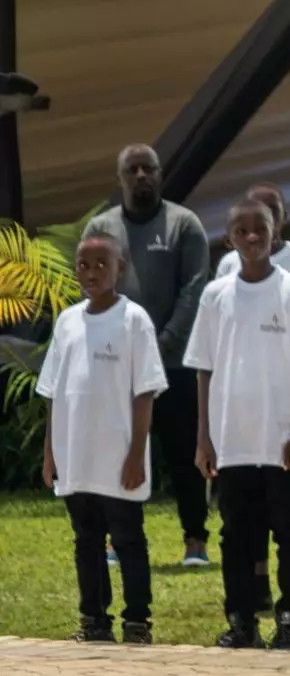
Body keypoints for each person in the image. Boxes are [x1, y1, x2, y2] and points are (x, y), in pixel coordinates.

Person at [186, 195, 290, 651]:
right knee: (236, 536)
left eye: (259, 229)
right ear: (228, 238)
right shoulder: (215, 295)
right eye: (241, 230)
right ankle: (241, 620)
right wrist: (205, 436)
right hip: (233, 441)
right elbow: (204, 367)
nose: (251, 237)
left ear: (275, 233)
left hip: (281, 441)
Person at [41, 222, 166, 645]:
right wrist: (50, 455)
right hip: (76, 457)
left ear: (120, 268)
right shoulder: (67, 323)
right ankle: (94, 619)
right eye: (83, 265)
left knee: (128, 539)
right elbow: (53, 393)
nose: (91, 272)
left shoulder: (134, 321)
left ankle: (137, 619)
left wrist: (136, 455)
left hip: (118, 458)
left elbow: (145, 392)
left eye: (101, 264)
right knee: (86, 540)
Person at [92, 145, 211, 568]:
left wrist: (160, 345)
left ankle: (195, 539)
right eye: (132, 169)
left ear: (159, 175)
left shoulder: (184, 224)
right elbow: (94, 290)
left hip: (175, 366)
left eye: (149, 169)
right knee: (121, 451)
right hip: (119, 368)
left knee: (184, 455)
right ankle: (118, 540)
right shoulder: (101, 228)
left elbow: (194, 288)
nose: (141, 175)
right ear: (119, 176)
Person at [213, 182, 290, 329]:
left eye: (273, 210)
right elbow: (215, 319)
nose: (266, 217)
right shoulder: (229, 263)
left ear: (284, 217)